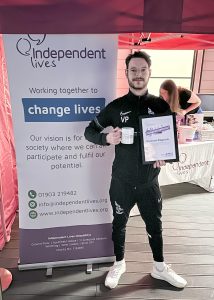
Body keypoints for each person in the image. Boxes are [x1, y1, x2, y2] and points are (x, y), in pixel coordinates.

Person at [84, 51, 187, 289]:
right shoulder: (116, 107)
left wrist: (164, 157)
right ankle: (119, 264)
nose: (138, 75)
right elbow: (89, 131)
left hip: (149, 182)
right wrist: (107, 138)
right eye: (133, 70)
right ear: (127, 73)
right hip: (121, 181)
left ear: (149, 73)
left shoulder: (160, 105)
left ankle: (159, 267)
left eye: (142, 70)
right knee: (118, 223)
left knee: (155, 225)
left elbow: (168, 139)